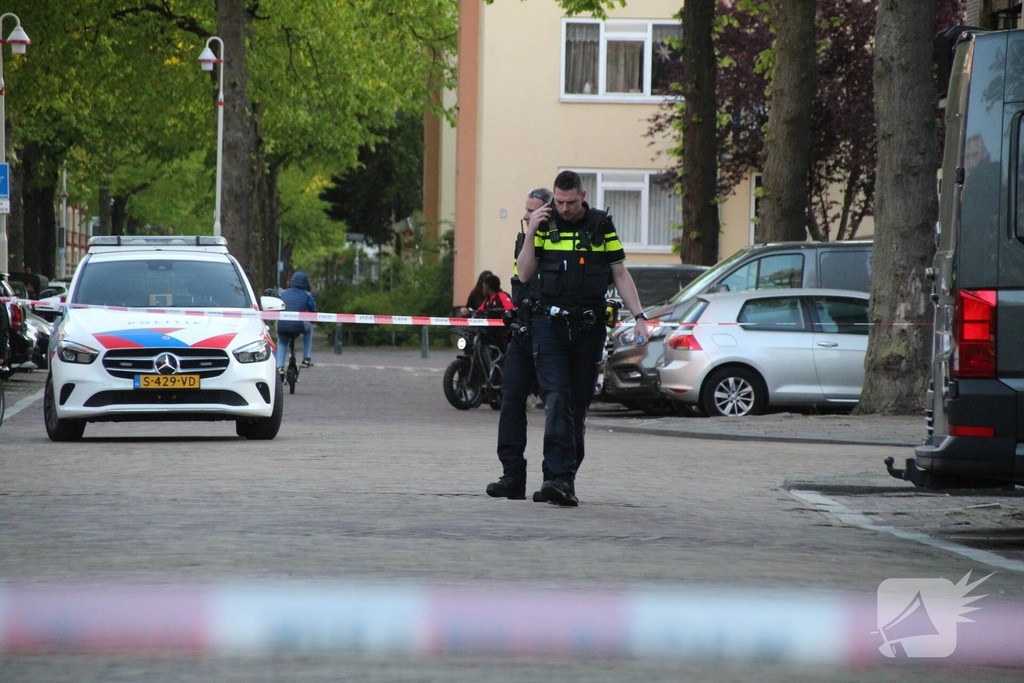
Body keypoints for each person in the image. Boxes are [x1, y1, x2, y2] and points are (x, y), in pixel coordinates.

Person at [515, 170, 649, 506]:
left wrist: (640, 317)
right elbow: (525, 272)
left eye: (570, 202)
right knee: (556, 399)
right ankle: (557, 478)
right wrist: (531, 232)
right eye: (558, 202)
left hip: (588, 328)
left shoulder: (602, 226)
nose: (564, 208)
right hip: (549, 326)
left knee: (576, 406)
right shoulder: (544, 225)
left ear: (583, 196)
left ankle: (563, 477)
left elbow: (619, 273)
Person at [486, 188, 554, 501]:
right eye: (525, 210)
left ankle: (556, 479)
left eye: (533, 211)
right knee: (511, 399)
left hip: (551, 335)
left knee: (558, 406)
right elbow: (520, 282)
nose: (526, 216)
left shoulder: (558, 241)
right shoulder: (523, 239)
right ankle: (512, 476)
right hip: (523, 334)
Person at [276, 271, 317, 373]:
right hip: (299, 325)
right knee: (309, 329)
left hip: (283, 324)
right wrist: (313, 320)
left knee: (282, 341)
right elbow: (312, 310)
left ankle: (280, 367)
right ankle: (306, 358)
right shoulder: (307, 295)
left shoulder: (282, 293)